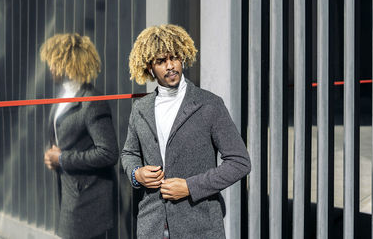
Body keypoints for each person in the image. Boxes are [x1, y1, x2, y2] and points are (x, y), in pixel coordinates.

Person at [121, 24, 251, 238]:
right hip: (151, 226)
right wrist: (137, 174)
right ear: (150, 67)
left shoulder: (209, 104)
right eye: (161, 61)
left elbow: (240, 162)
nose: (170, 65)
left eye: (174, 57)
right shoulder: (140, 109)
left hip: (199, 227)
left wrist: (191, 187)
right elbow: (129, 153)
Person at [41, 33, 119, 239]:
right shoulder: (63, 98)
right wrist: (51, 156)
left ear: (68, 62)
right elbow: (61, 138)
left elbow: (108, 153)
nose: (50, 67)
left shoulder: (92, 102)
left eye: (54, 61)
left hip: (87, 200)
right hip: (67, 194)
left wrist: (62, 159)